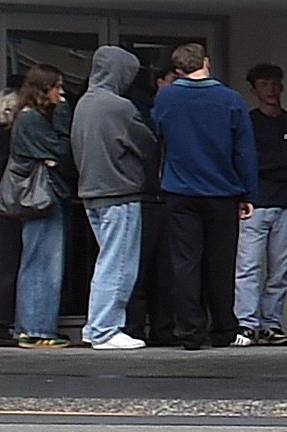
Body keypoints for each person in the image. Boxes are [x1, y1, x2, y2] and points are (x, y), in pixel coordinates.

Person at [151, 43, 263, 351]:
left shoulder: (167, 97)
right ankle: (224, 328)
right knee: (220, 263)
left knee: (185, 263)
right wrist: (248, 192)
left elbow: (156, 133)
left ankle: (189, 331)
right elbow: (244, 150)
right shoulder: (229, 99)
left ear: (178, 69)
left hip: (179, 190)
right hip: (222, 191)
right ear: (206, 62)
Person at [70, 46, 160, 351]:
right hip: (119, 190)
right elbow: (146, 143)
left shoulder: (83, 104)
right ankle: (105, 329)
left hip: (91, 192)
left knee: (106, 260)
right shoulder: (119, 107)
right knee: (119, 263)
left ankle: (96, 324)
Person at [0, 63, 71, 349]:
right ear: (43, 88)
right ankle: (37, 328)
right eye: (57, 87)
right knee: (43, 262)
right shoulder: (33, 120)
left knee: (36, 258)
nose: (61, 93)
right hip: (42, 198)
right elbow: (61, 150)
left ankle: (30, 326)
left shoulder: (25, 118)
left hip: (37, 198)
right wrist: (61, 118)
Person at [237, 63, 287, 347]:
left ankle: (270, 323)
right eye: (264, 84)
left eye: (275, 84)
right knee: (248, 267)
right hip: (256, 203)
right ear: (254, 90)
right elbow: (249, 162)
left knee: (280, 269)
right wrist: (280, 167)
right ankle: (247, 323)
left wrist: (275, 167)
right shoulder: (248, 122)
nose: (271, 90)